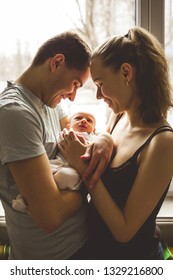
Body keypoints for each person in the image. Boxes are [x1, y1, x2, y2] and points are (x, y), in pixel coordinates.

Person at [58, 26, 173, 260]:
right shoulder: (119, 115)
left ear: (126, 73)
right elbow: (106, 138)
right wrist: (104, 137)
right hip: (96, 250)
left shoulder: (163, 143)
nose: (98, 96)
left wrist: (83, 169)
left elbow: (124, 231)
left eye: (100, 84)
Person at [0, 31, 114, 260]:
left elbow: (84, 139)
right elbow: (50, 216)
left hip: (83, 243)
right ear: (57, 63)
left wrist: (105, 139)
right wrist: (88, 183)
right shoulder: (15, 114)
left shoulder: (52, 104)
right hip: (52, 260)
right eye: (74, 84)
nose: (73, 97)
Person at [12, 111, 97, 213]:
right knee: (38, 174)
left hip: (72, 169)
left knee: (67, 177)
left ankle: (32, 204)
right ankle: (26, 198)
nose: (83, 121)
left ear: (94, 129)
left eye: (89, 120)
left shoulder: (93, 138)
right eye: (78, 118)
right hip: (56, 163)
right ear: (69, 126)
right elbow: (58, 142)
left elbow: (95, 150)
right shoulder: (65, 133)